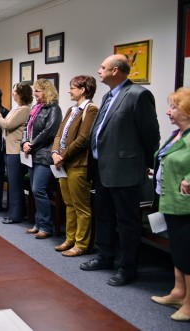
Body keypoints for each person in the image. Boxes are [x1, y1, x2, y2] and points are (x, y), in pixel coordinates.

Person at [80, 54, 160, 287]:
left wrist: (146, 164)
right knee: (102, 215)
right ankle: (105, 256)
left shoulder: (139, 95)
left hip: (125, 169)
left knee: (126, 222)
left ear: (116, 71)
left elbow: (150, 135)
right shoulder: (107, 95)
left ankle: (128, 268)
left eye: (103, 67)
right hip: (102, 169)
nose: (99, 70)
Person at [150, 87, 190, 321]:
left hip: (185, 204)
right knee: (178, 249)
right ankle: (178, 292)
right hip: (171, 200)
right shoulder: (179, 134)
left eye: (174, 107)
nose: (168, 111)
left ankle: (189, 304)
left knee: (187, 253)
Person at [51, 75, 99, 257]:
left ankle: (81, 244)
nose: (69, 90)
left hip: (79, 164)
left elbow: (82, 139)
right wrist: (55, 153)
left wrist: (62, 156)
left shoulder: (91, 109)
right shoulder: (72, 109)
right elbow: (58, 135)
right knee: (69, 204)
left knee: (82, 207)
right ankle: (70, 239)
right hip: (63, 163)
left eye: (72, 87)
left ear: (83, 90)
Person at [21, 79, 62, 239]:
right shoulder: (36, 108)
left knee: (39, 190)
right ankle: (38, 223)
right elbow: (26, 127)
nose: (34, 94)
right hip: (32, 154)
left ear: (47, 91)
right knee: (35, 190)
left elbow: (49, 132)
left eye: (37, 91)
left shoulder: (54, 109)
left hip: (44, 156)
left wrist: (31, 144)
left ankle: (46, 226)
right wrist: (24, 142)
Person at [0, 82, 32, 224]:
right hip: (9, 149)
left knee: (15, 184)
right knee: (13, 183)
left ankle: (15, 215)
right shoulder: (18, 108)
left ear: (22, 94)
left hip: (15, 151)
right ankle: (17, 212)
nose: (12, 93)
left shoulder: (24, 110)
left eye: (14, 91)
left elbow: (6, 125)